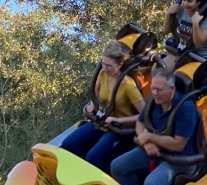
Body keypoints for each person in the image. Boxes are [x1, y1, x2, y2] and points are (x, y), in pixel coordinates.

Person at [110, 67, 202, 185]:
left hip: (179, 159)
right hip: (156, 150)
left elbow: (178, 144)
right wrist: (146, 142)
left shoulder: (186, 108)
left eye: (159, 90)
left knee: (152, 184)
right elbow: (140, 123)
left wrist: (149, 137)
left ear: (171, 89)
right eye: (153, 89)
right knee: (117, 166)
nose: (154, 93)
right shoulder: (155, 101)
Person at [58, 41, 146, 171]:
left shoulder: (128, 85)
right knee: (68, 144)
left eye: (109, 65)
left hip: (117, 129)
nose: (105, 68)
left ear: (119, 64)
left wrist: (117, 120)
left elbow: (144, 114)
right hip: (100, 122)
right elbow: (97, 95)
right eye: (103, 64)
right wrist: (93, 105)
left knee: (94, 157)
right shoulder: (103, 74)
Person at [163, 0, 207, 68]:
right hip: (185, 52)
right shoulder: (182, 10)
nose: (185, 3)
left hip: (201, 58)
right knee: (160, 69)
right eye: (184, 0)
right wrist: (168, 14)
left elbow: (198, 45)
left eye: (189, 1)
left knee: (178, 78)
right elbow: (166, 30)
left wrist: (195, 23)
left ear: (198, 2)